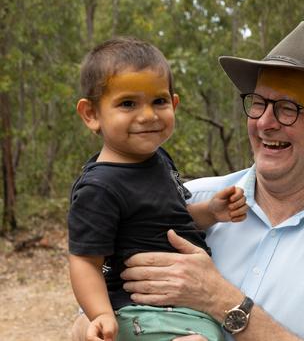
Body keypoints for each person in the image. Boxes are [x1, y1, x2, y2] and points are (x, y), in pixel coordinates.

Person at [72, 22, 304, 341]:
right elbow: (90, 316)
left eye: (289, 108)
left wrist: (221, 299)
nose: (265, 122)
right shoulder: (191, 199)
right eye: (258, 103)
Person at [69, 37, 248, 341]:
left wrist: (210, 212)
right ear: (92, 114)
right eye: (128, 103)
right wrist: (99, 315)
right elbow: (85, 260)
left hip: (191, 310)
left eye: (159, 101)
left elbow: (171, 218)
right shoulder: (99, 187)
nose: (148, 115)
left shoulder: (159, 159)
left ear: (174, 104)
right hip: (139, 311)